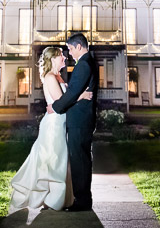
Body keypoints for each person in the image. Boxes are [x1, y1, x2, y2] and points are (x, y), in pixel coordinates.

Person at [9, 46, 92, 212]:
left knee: (59, 160)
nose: (64, 57)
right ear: (53, 58)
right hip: (53, 125)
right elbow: (61, 101)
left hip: (60, 122)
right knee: (53, 161)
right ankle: (51, 200)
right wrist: (81, 96)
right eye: (61, 55)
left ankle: (55, 198)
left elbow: (60, 103)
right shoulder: (49, 77)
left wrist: (58, 105)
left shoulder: (58, 76)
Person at [51, 33, 99, 212]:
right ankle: (83, 198)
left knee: (79, 160)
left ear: (79, 47)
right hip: (83, 119)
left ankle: (82, 200)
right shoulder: (88, 62)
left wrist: (55, 108)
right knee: (82, 159)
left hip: (80, 120)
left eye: (70, 49)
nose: (69, 53)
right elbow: (76, 92)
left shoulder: (84, 65)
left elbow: (71, 93)